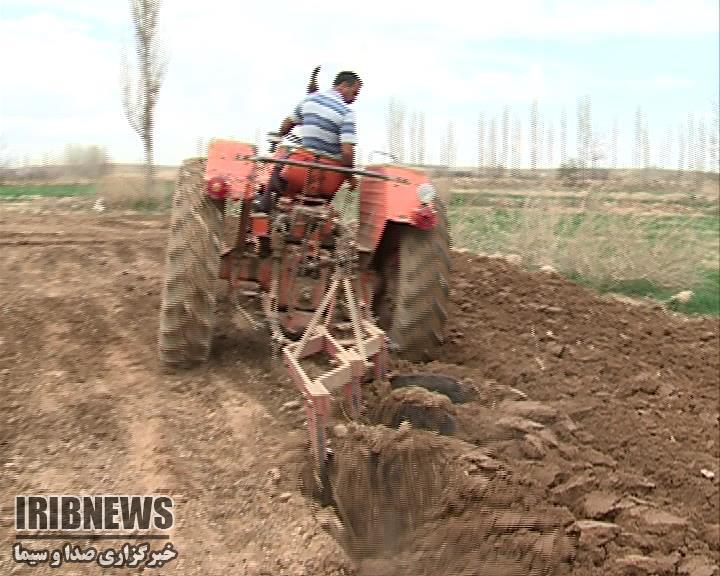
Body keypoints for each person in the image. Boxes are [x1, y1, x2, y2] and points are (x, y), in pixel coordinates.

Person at [265, 71, 362, 207]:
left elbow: (287, 125)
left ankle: (264, 209)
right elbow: (347, 153)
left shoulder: (310, 99)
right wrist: (350, 178)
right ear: (344, 85)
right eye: (354, 93)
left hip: (299, 169)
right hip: (329, 180)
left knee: (279, 161)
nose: (354, 98)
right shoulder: (347, 113)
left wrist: (280, 136)